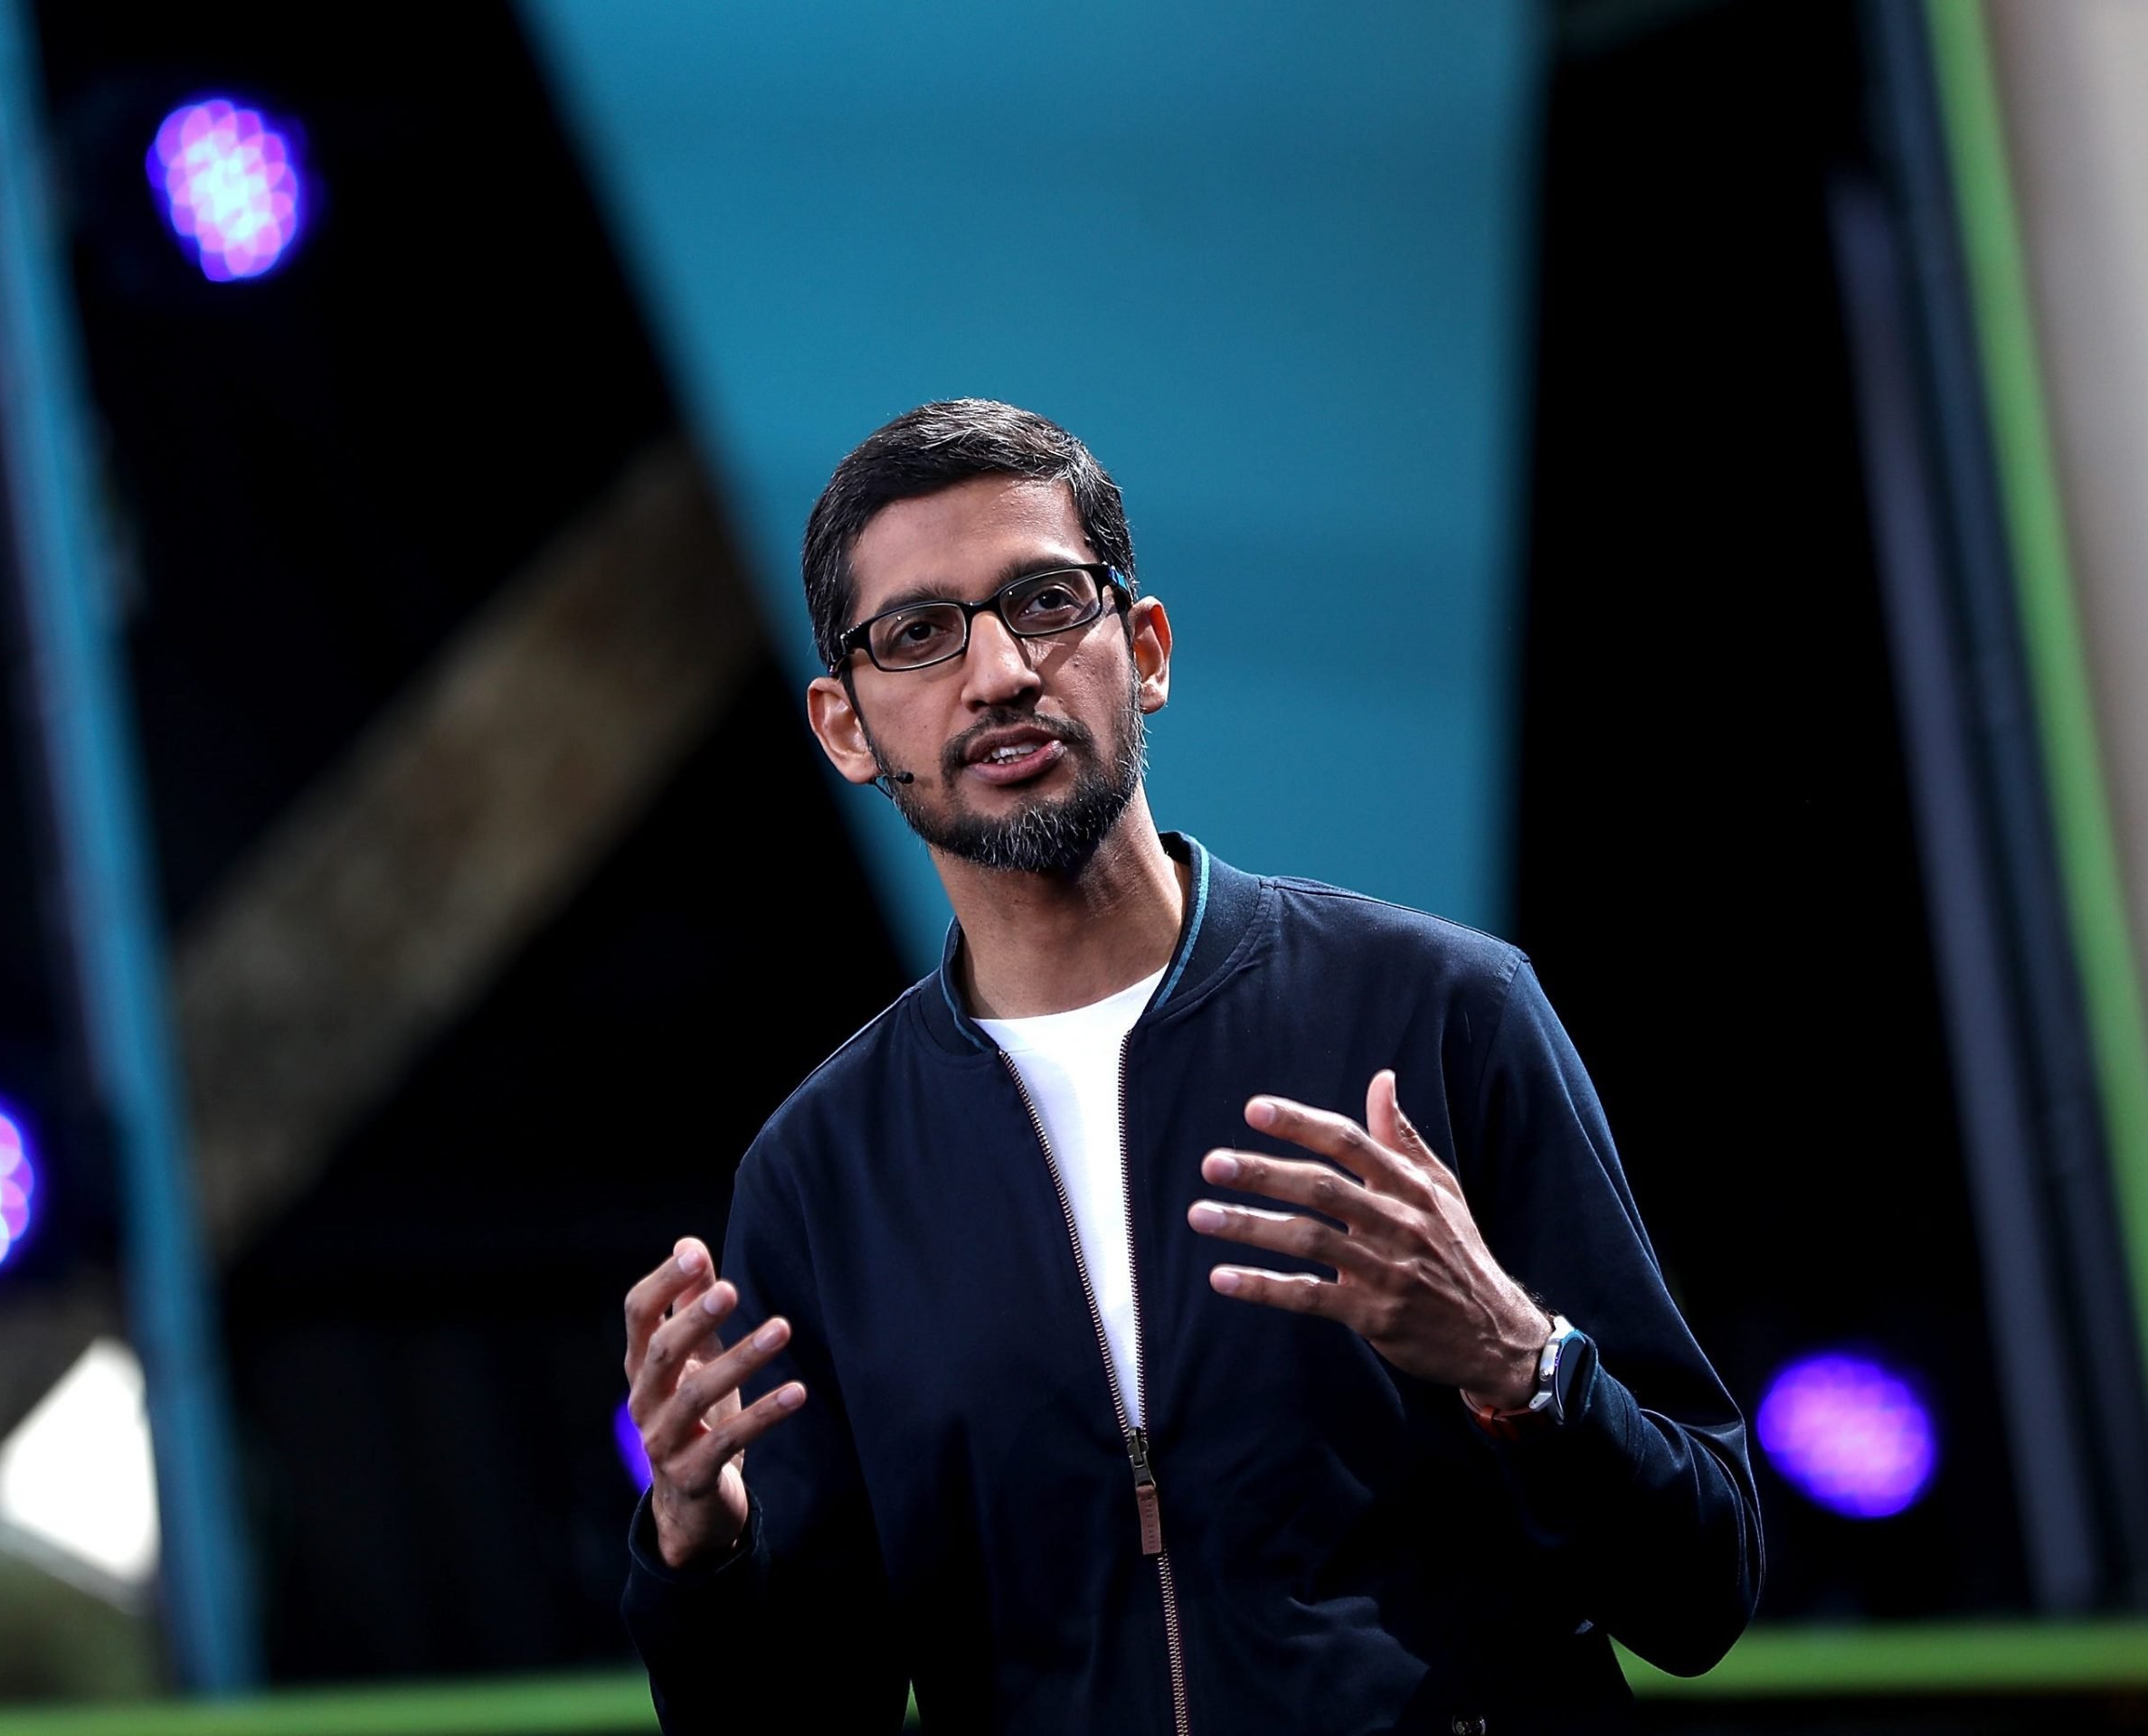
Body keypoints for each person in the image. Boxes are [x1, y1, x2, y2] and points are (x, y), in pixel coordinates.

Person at [620, 400, 1762, 1733]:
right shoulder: (821, 1176)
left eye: (1045, 601)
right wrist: (701, 1557)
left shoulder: (1441, 1010)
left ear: (1145, 650)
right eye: (920, 636)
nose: (997, 674)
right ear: (845, 727)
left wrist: (1526, 1367)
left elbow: (1702, 1592)